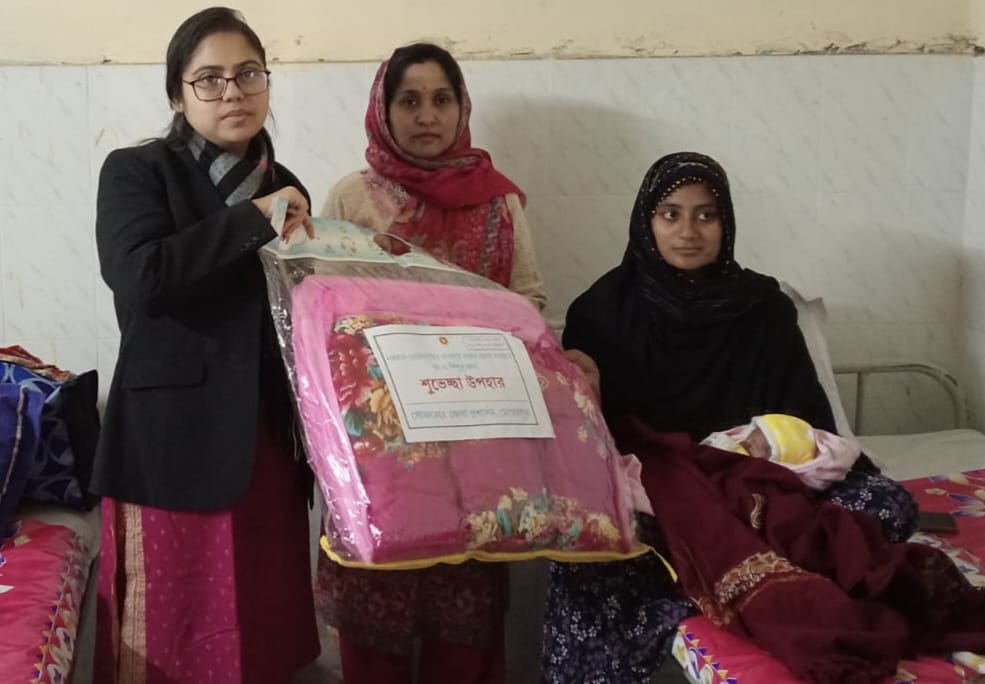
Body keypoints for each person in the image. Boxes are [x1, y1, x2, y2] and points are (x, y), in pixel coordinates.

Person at [542, 152, 919, 683]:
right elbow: (592, 444)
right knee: (593, 547)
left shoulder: (763, 308)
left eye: (706, 215)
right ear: (646, 221)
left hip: (756, 481)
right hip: (658, 488)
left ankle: (714, 573)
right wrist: (593, 393)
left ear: (727, 223)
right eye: (670, 214)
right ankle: (716, 576)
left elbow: (806, 417)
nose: (688, 231)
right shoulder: (600, 312)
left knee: (888, 506)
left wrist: (770, 442)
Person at [91, 7, 318, 683]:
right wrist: (252, 220)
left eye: (248, 74)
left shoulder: (285, 186)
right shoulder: (137, 170)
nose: (233, 93)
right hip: (173, 438)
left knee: (263, 615)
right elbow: (139, 278)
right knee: (176, 621)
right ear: (177, 94)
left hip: (267, 434)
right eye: (209, 79)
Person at [316, 42, 546, 684]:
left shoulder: (499, 203)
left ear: (461, 107)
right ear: (383, 110)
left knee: (464, 613)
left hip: (474, 442)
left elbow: (527, 303)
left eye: (441, 99)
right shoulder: (352, 199)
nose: (426, 116)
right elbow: (321, 311)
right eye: (409, 100)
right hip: (377, 447)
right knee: (374, 606)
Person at [701, 413, 861, 490]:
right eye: (752, 436)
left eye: (762, 448)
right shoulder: (741, 441)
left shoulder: (763, 472)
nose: (749, 444)